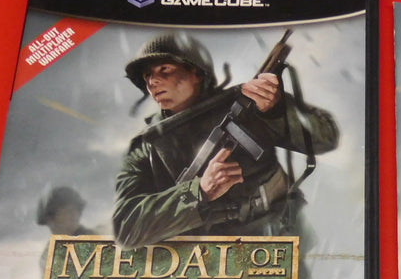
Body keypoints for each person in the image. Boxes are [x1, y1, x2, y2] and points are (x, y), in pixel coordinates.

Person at [113, 32, 339, 249]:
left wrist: (275, 110)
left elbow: (326, 138)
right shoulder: (146, 146)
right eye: (147, 76)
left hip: (278, 228)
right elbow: (125, 229)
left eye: (165, 69)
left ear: (197, 72)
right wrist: (199, 191)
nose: (153, 81)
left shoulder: (247, 101)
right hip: (207, 250)